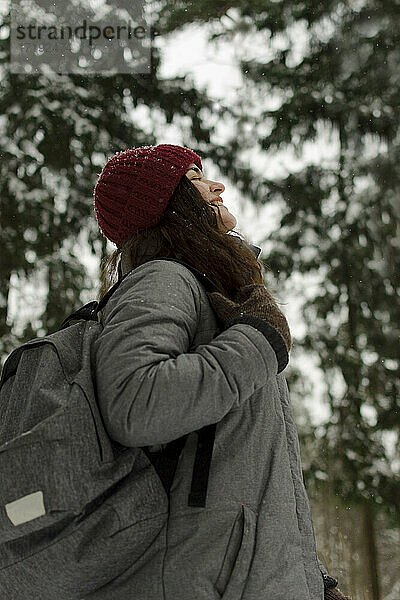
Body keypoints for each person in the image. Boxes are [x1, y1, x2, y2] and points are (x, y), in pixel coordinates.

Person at [92, 143, 350, 599]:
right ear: (166, 205)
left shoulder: (217, 297)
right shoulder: (164, 277)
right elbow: (135, 403)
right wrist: (259, 340)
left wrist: (310, 580)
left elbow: (248, 476)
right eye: (194, 179)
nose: (217, 186)